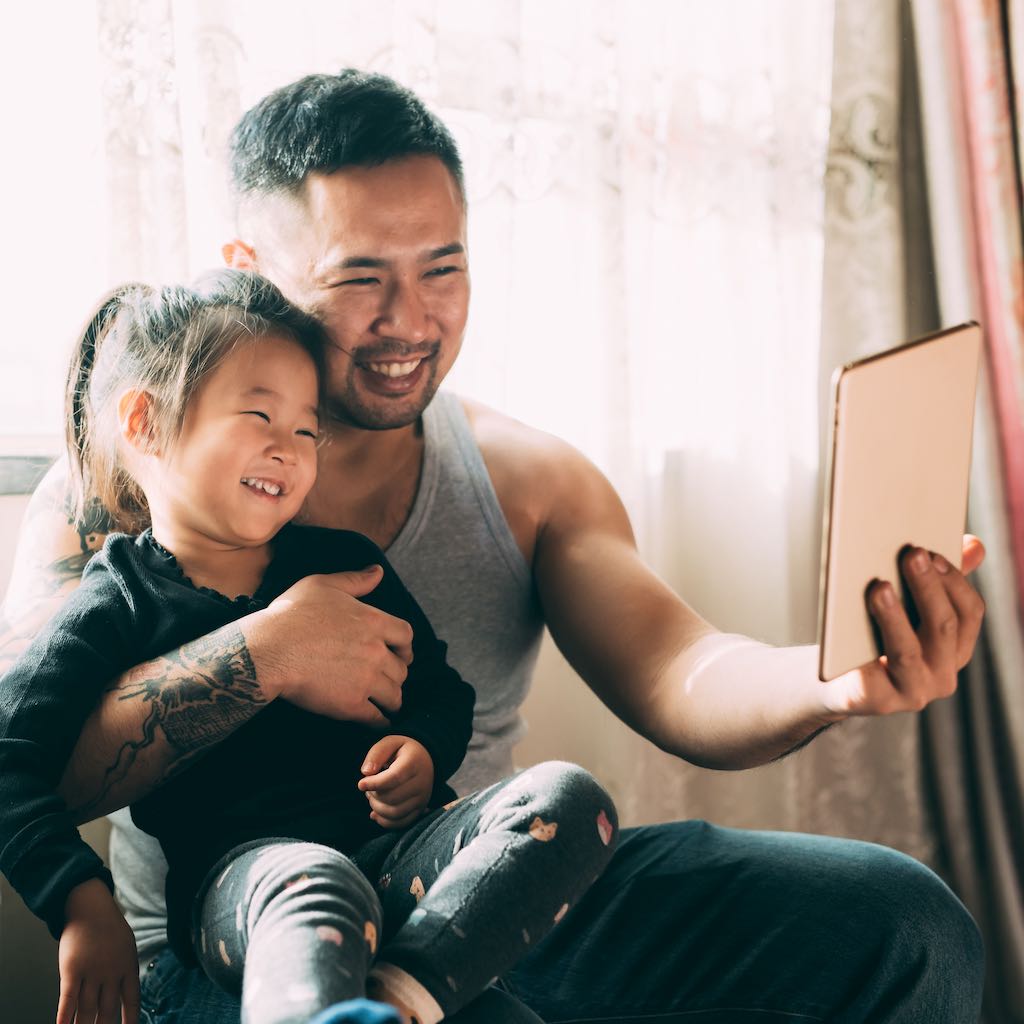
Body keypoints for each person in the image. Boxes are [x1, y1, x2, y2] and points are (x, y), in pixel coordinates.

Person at [2, 69, 986, 1023]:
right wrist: (265, 654)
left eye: (443, 268)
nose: (411, 320)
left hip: (472, 893)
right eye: (360, 277)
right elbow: (35, 765)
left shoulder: (529, 478)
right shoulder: (121, 485)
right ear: (249, 269)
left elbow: (680, 669)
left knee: (905, 921)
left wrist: (828, 681)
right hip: (235, 937)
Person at [0, 271, 617, 1024]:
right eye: (259, 415)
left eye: (306, 428)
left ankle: (402, 997)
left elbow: (441, 692)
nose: (289, 449)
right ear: (145, 423)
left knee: (569, 798)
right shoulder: (116, 601)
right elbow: (11, 757)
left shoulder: (342, 563)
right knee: (313, 878)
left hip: (402, 864)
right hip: (248, 894)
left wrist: (424, 750)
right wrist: (79, 903)